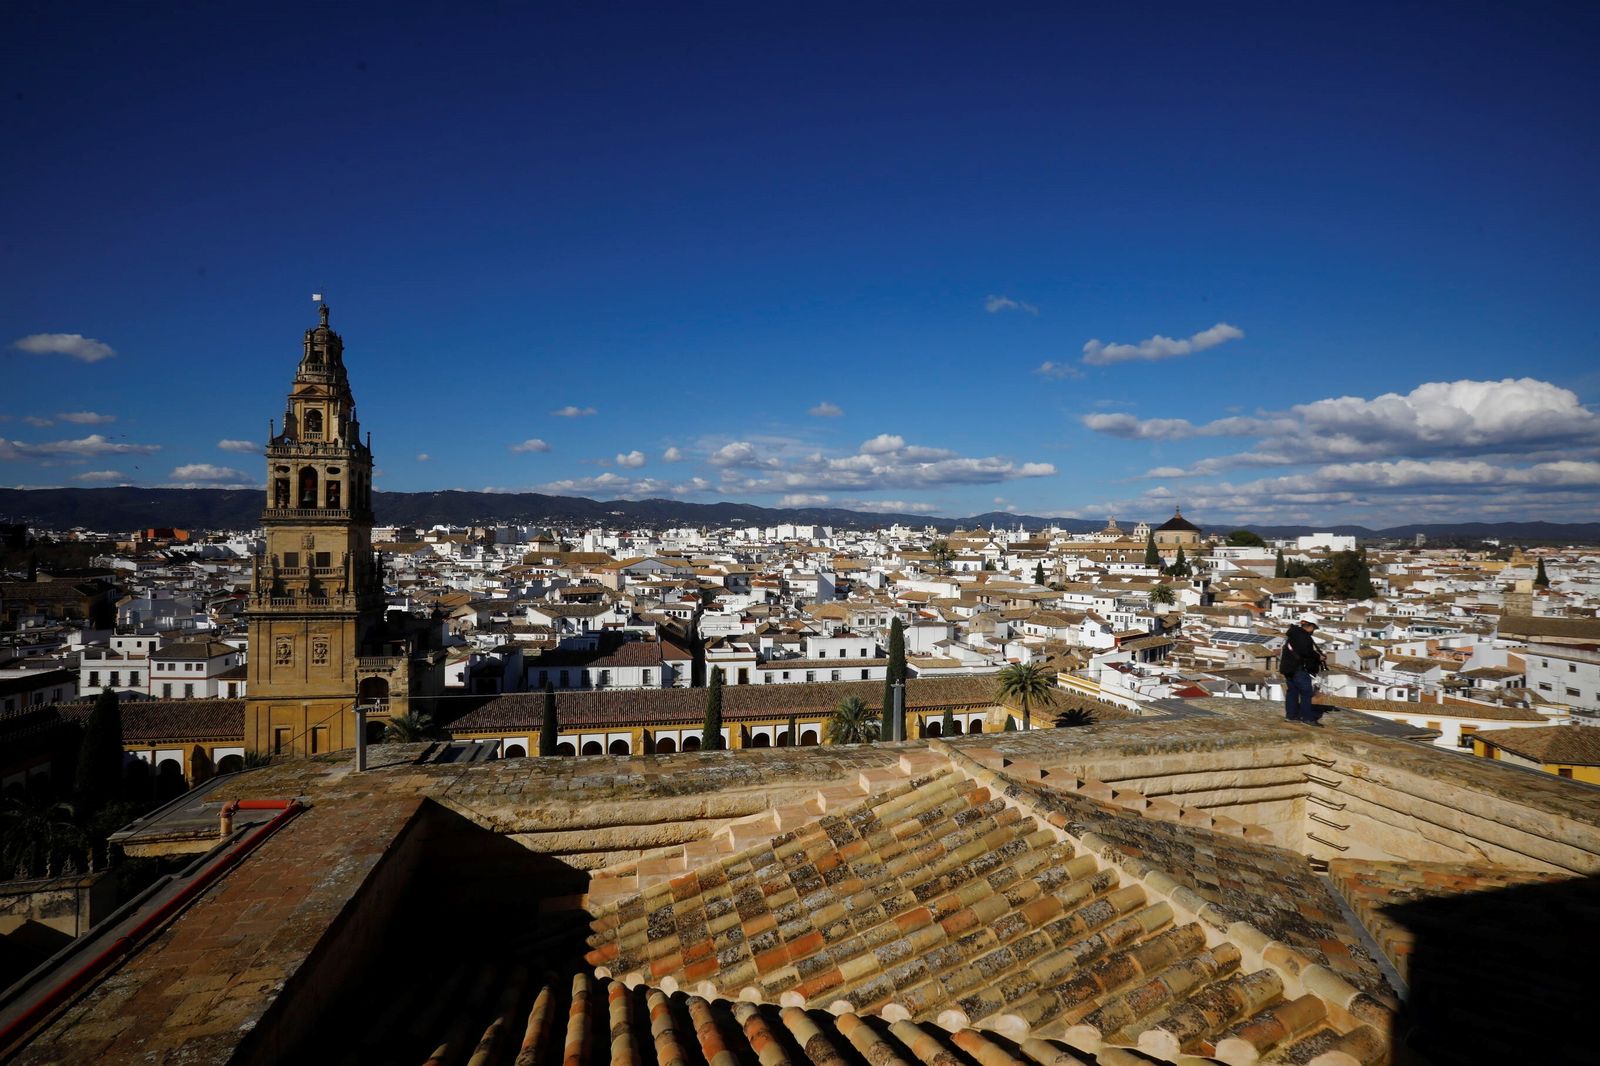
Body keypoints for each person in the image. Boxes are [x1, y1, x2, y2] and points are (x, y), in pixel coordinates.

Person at [1281, 615, 1326, 725]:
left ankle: (1291, 716)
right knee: (1306, 693)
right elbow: (1306, 652)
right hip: (1298, 669)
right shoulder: (1304, 637)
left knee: (1292, 692)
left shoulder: (1293, 633)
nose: (1313, 631)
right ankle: (1307, 718)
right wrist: (1318, 657)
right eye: (1314, 628)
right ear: (1310, 626)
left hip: (1287, 668)